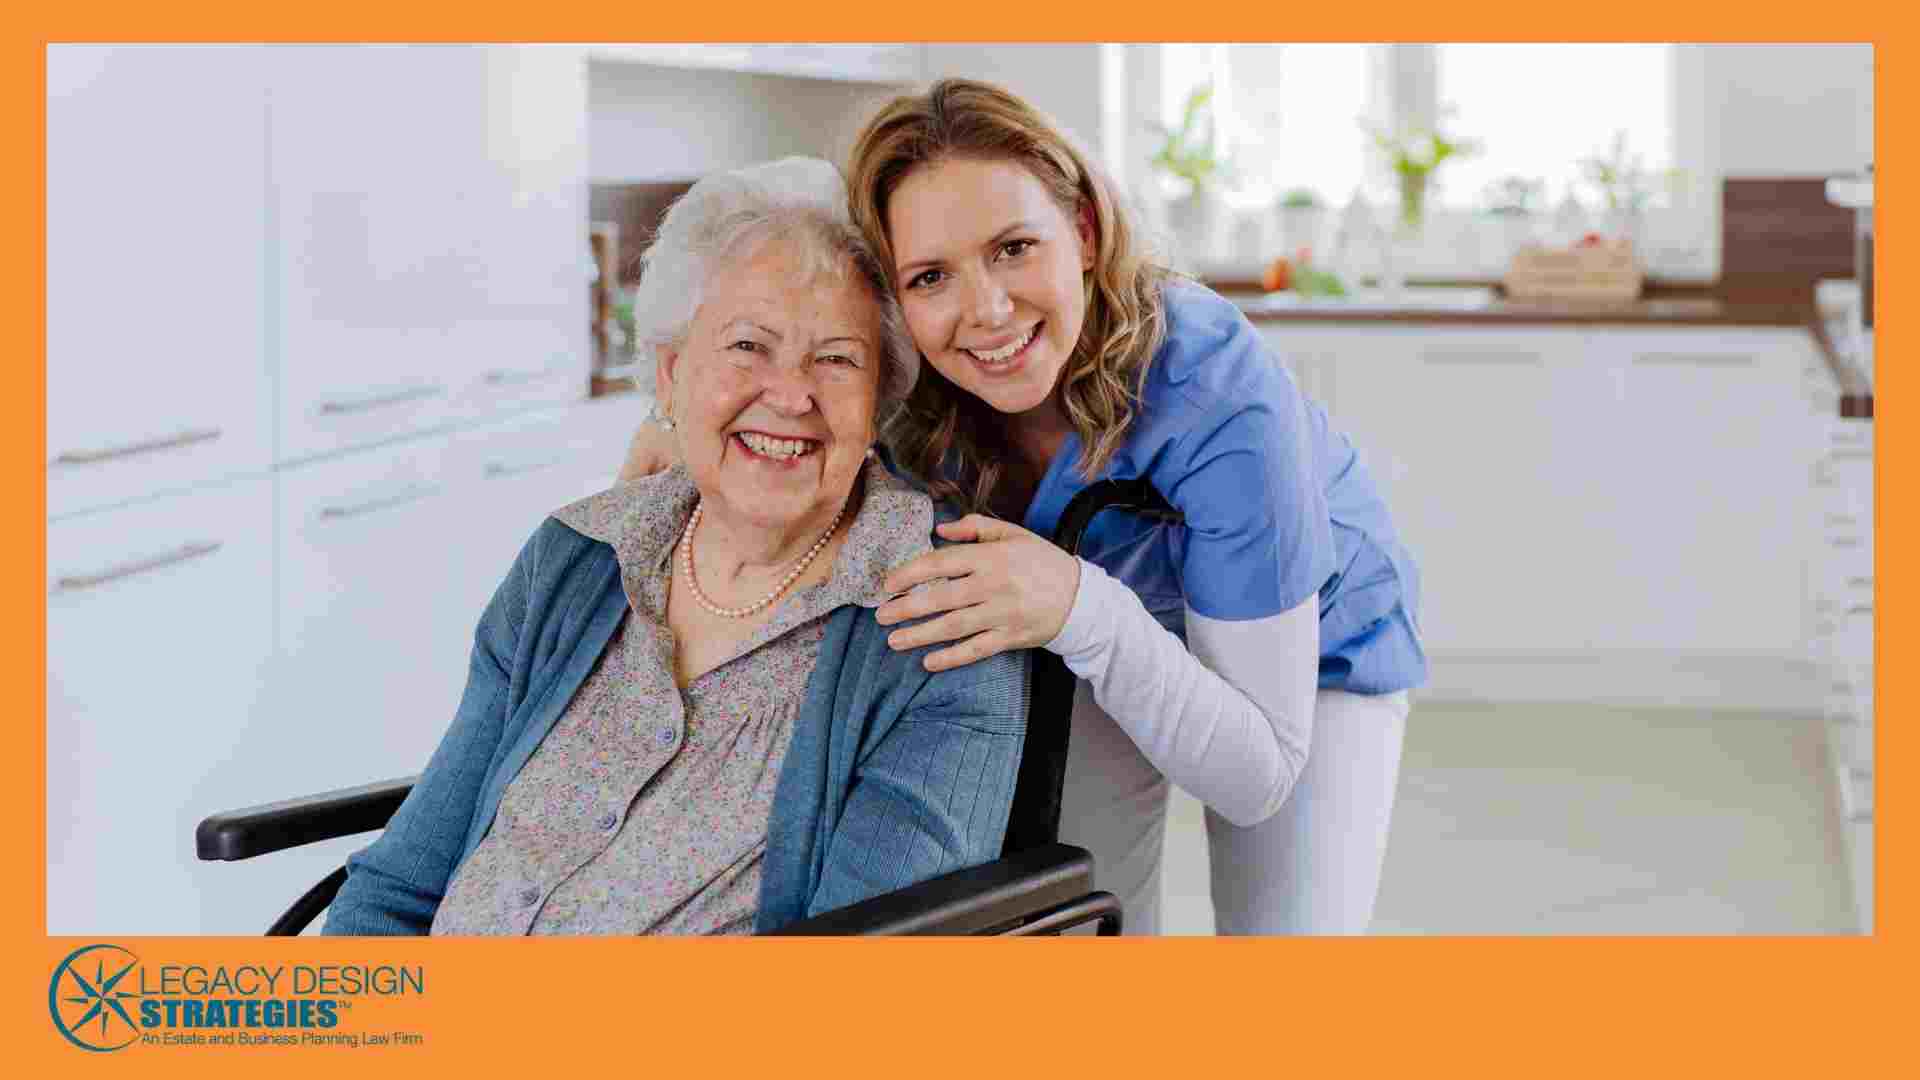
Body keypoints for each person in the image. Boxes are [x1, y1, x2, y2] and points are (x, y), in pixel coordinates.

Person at [621, 80, 1426, 936]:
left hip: (1306, 655)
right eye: (931, 275)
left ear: (1080, 232)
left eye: (1012, 248)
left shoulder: (1212, 389)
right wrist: (681, 412)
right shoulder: (903, 375)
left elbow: (1255, 774)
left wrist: (1081, 606)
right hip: (1072, 630)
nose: (987, 311)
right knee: (1082, 918)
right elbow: (778, 291)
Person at [323, 157, 1029, 936]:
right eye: (748, 347)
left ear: (879, 403)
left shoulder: (939, 621)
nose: (790, 395)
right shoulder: (576, 557)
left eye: (836, 359)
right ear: (672, 374)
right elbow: (400, 885)